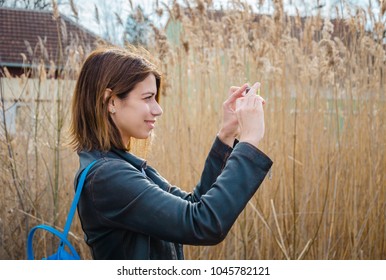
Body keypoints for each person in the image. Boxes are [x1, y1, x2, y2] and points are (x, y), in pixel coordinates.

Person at [69, 47, 273, 260]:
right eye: (147, 98)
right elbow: (203, 223)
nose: (158, 109)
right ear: (111, 101)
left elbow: (194, 205)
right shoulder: (107, 177)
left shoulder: (120, 166)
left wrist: (227, 135)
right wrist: (249, 141)